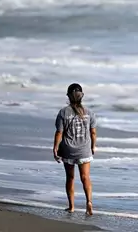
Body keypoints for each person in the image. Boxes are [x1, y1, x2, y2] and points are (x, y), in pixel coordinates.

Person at [53, 83, 97, 216]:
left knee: (70, 177)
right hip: (84, 149)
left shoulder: (63, 112)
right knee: (85, 177)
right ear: (81, 96)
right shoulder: (89, 112)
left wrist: (55, 148)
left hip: (68, 150)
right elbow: (93, 132)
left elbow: (59, 132)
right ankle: (89, 202)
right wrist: (93, 146)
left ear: (68, 96)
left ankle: (71, 206)